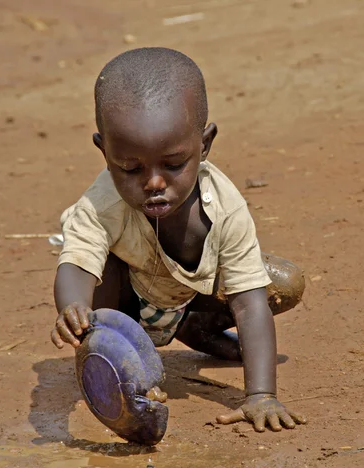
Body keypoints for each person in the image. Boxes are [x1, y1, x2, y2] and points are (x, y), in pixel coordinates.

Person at [51, 47, 307, 433]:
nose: (153, 182)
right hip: (125, 309)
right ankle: (106, 362)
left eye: (173, 164)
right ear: (104, 150)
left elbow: (250, 304)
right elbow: (76, 263)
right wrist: (72, 309)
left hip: (185, 297)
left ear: (204, 144)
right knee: (100, 266)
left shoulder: (224, 207)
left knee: (281, 283)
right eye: (130, 167)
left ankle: (189, 325)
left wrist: (260, 396)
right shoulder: (101, 203)